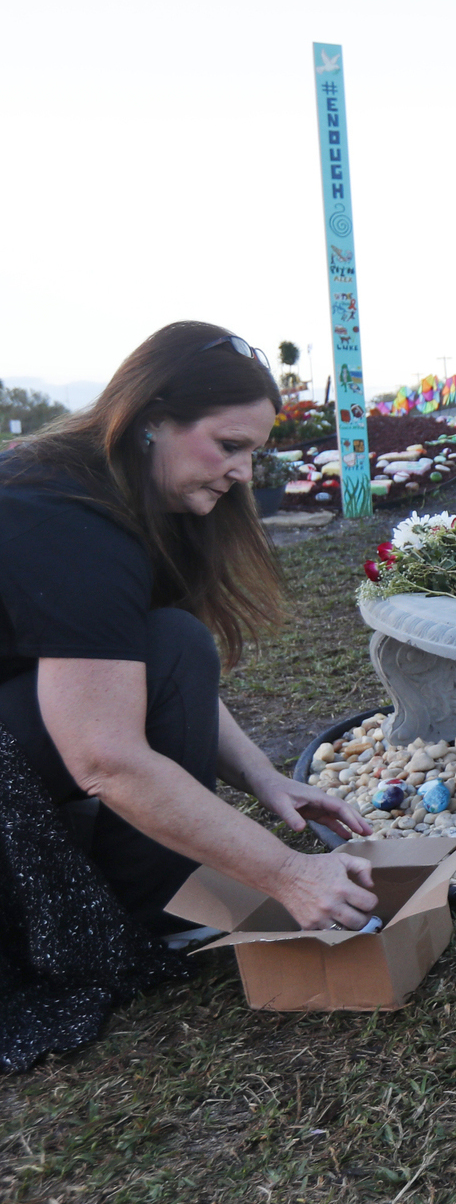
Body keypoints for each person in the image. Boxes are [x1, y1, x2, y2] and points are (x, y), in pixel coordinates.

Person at [0, 321, 378, 944]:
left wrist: (263, 776)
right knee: (171, 651)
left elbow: (161, 667)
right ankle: (138, 917)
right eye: (228, 445)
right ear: (151, 419)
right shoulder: (64, 518)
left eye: (252, 452)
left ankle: (153, 897)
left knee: (174, 642)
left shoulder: (131, 497)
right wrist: (288, 873)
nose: (243, 473)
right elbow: (105, 759)